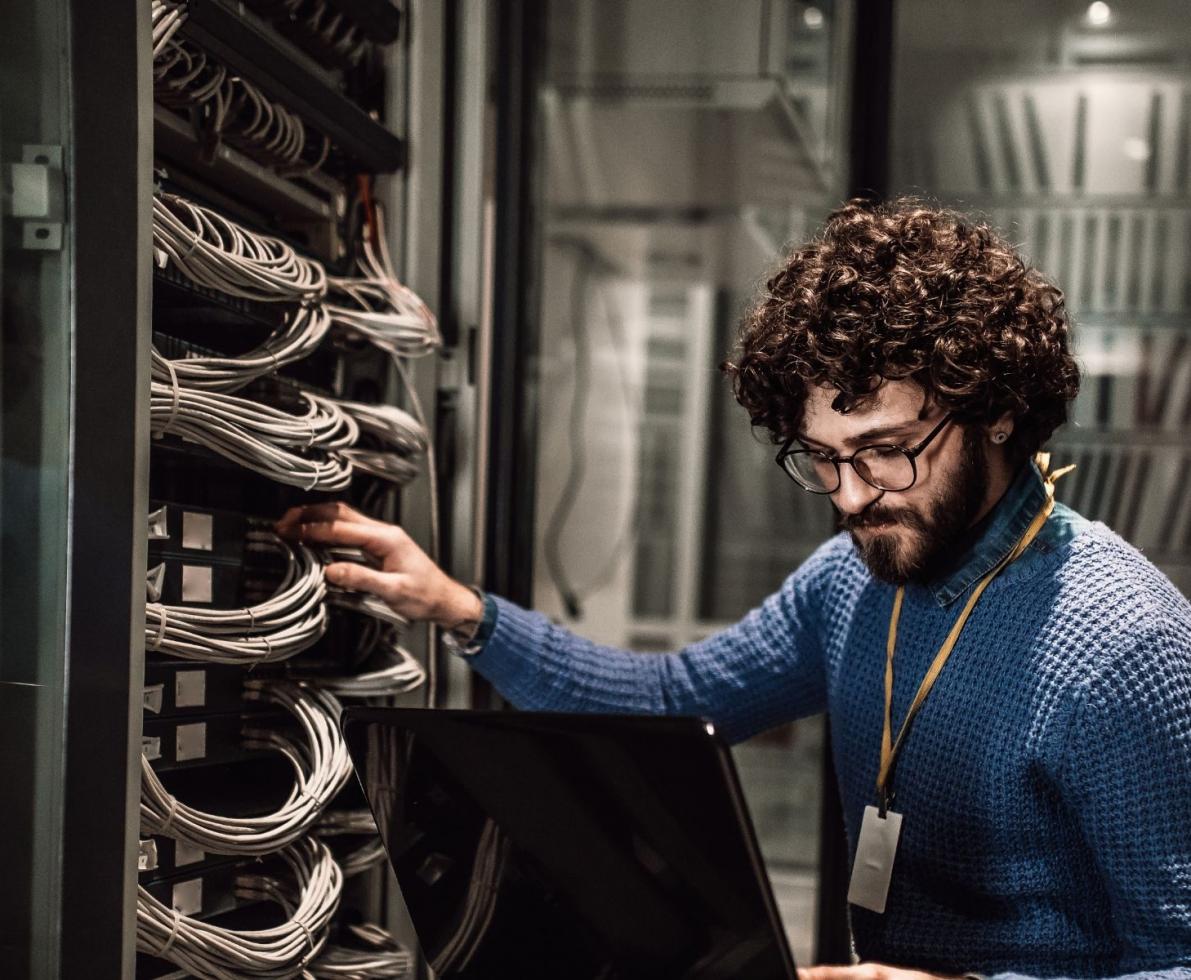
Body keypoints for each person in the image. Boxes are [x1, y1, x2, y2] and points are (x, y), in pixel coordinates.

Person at [278, 199, 1191, 980]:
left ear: (993, 406)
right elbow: (671, 703)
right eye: (823, 459)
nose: (850, 497)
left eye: (884, 451)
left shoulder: (1127, 650)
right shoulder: (850, 580)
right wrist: (460, 612)